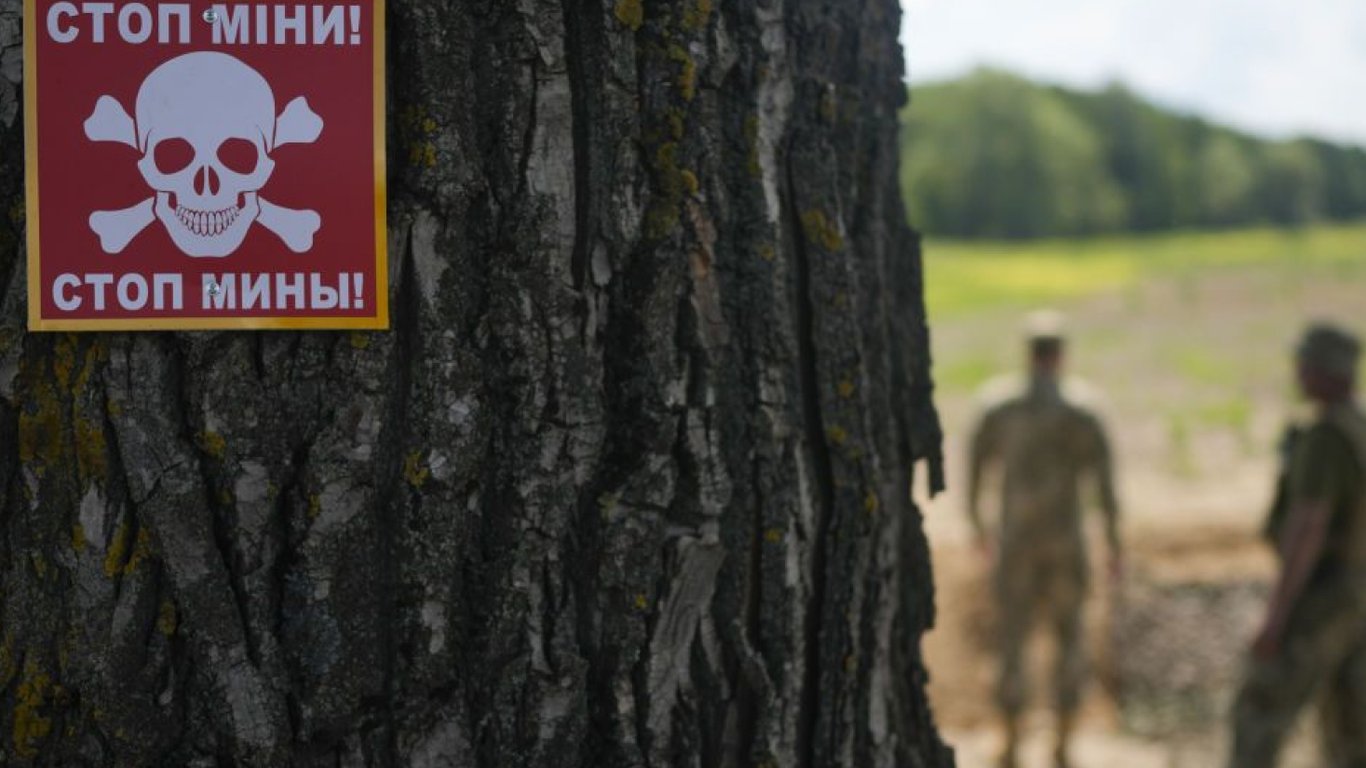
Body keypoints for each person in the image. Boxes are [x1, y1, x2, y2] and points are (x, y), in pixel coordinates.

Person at [967, 311, 1121, 768]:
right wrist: (1113, 542)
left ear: (1028, 354)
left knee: (1013, 639)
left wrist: (978, 527)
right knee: (1069, 638)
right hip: (1066, 543)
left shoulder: (1000, 408)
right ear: (1061, 356)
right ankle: (1063, 744)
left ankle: (1012, 743)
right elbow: (1106, 486)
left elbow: (975, 473)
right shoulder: (1083, 412)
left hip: (1015, 541)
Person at [1229, 323, 1366, 768]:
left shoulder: (1325, 437)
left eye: (1305, 363)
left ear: (1323, 371)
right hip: (1358, 595)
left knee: (1258, 713)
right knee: (1349, 725)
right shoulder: (1358, 428)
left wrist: (1275, 619)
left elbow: (1308, 528)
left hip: (1324, 594)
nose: (1298, 371)